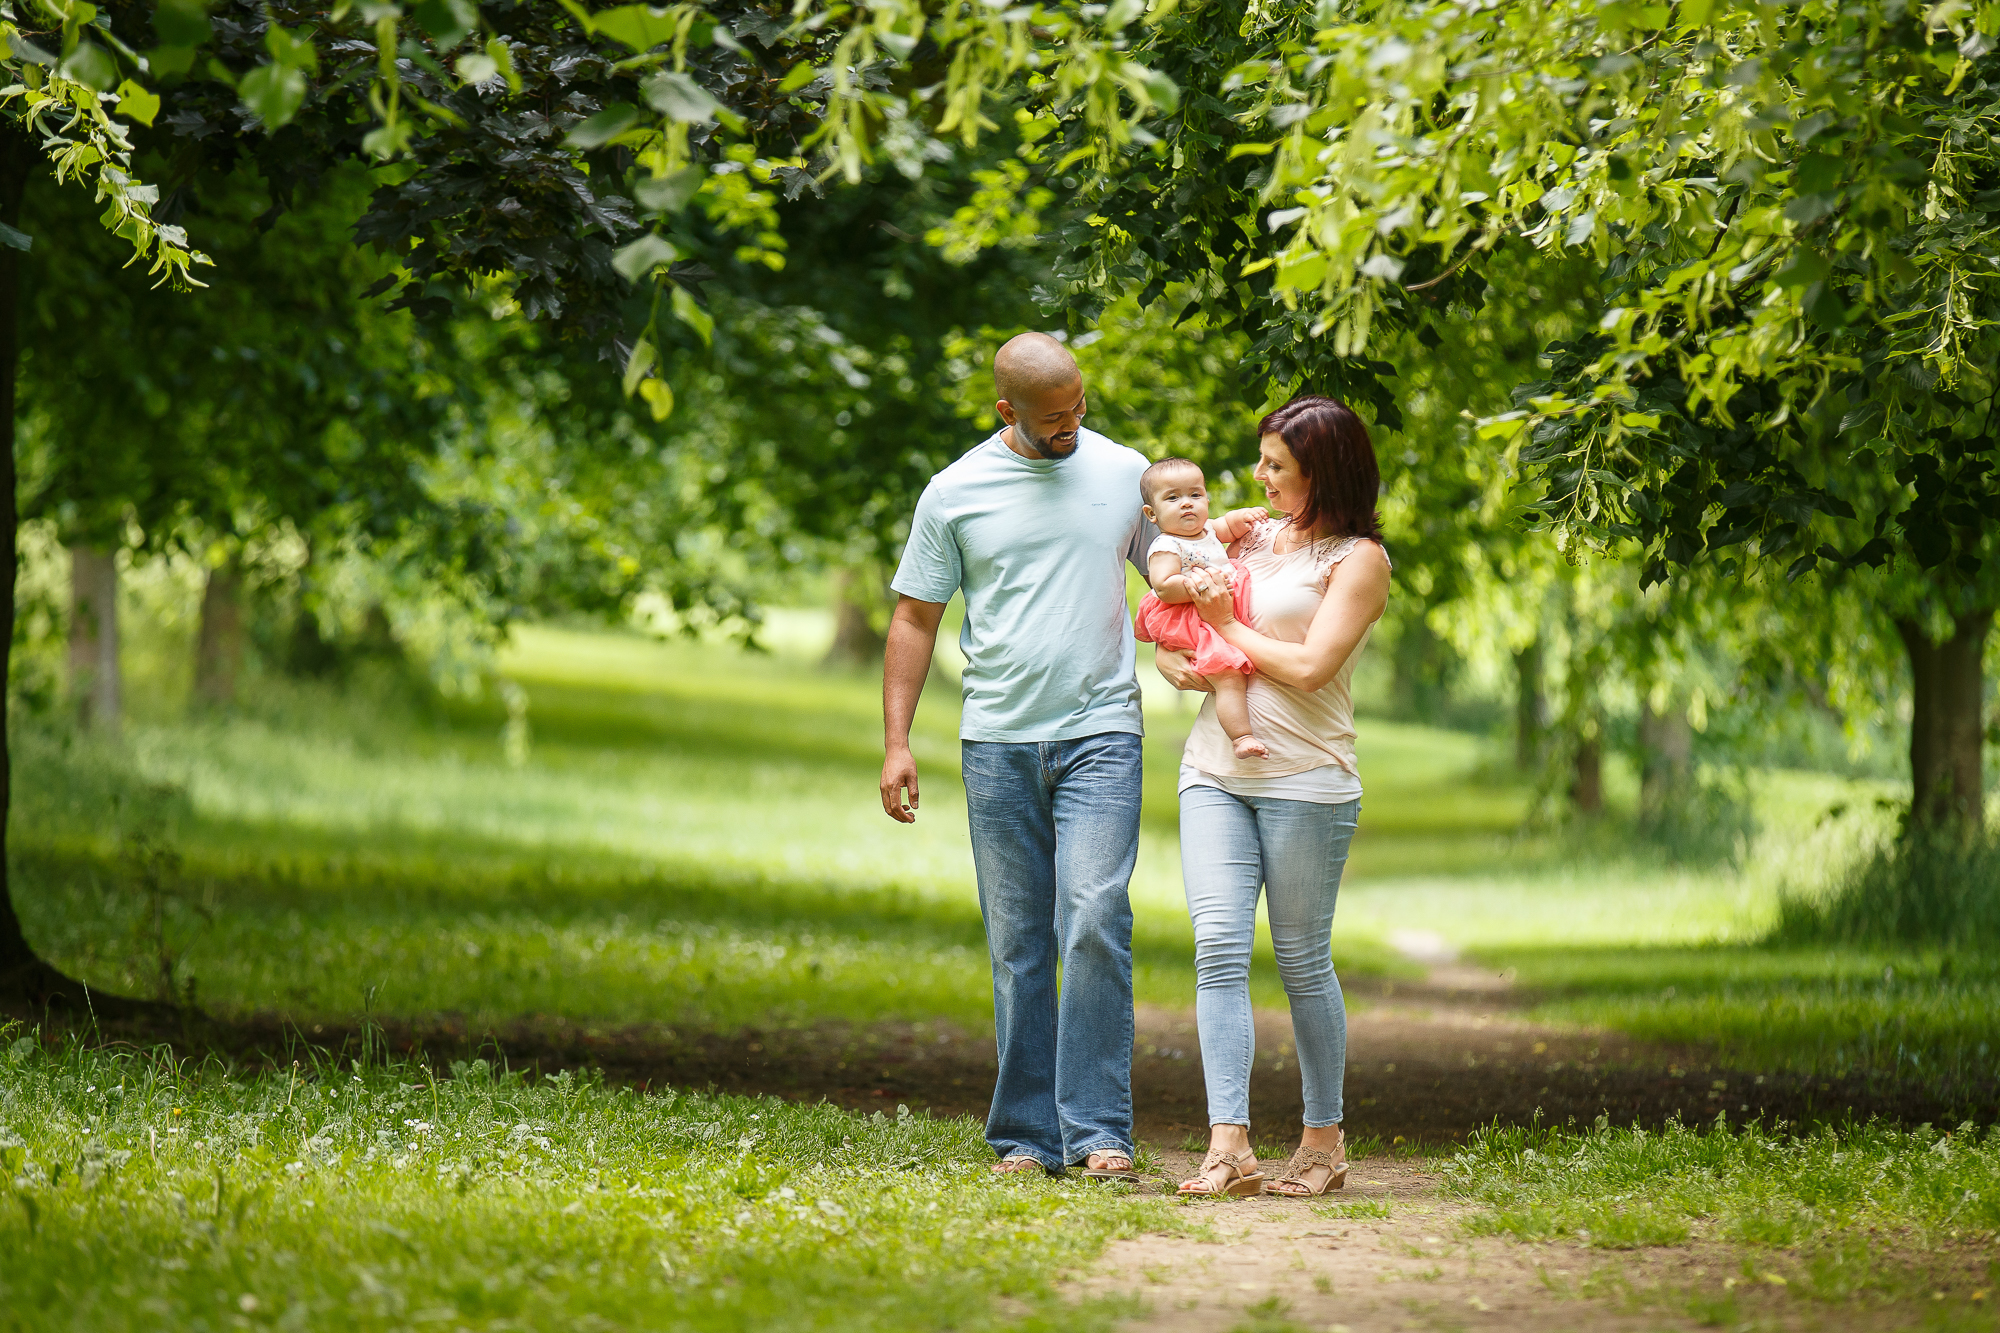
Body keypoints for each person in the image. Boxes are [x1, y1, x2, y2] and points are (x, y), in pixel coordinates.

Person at [879, 331, 1154, 1180]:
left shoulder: (1123, 472)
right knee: (1019, 941)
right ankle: (1028, 1136)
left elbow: (1180, 570)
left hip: (1103, 731)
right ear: (1008, 412)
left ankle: (1100, 1130)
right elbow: (914, 618)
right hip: (996, 742)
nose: (1072, 426)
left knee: (1096, 916)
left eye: (1079, 408)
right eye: (1054, 419)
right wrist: (896, 741)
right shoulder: (954, 491)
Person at [1154, 395, 1391, 1199]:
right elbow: (1178, 616)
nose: (1258, 477)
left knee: (1299, 959)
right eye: (1261, 461)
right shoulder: (1246, 534)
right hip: (1215, 770)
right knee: (1217, 947)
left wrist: (1226, 625)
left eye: (1276, 466)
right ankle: (1229, 1145)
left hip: (1308, 778)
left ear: (1322, 471)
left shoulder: (1359, 560)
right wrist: (1179, 659)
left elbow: (1309, 665)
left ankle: (1323, 1139)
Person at [1132, 457, 1272, 760]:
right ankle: (1241, 736)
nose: (1187, 504)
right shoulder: (1166, 546)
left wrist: (1243, 517)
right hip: (1188, 616)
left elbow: (1226, 526)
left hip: (1212, 611)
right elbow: (1164, 586)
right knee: (1228, 674)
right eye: (1173, 497)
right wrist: (1204, 587)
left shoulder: (1206, 530)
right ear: (1151, 513)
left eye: (1195, 495)